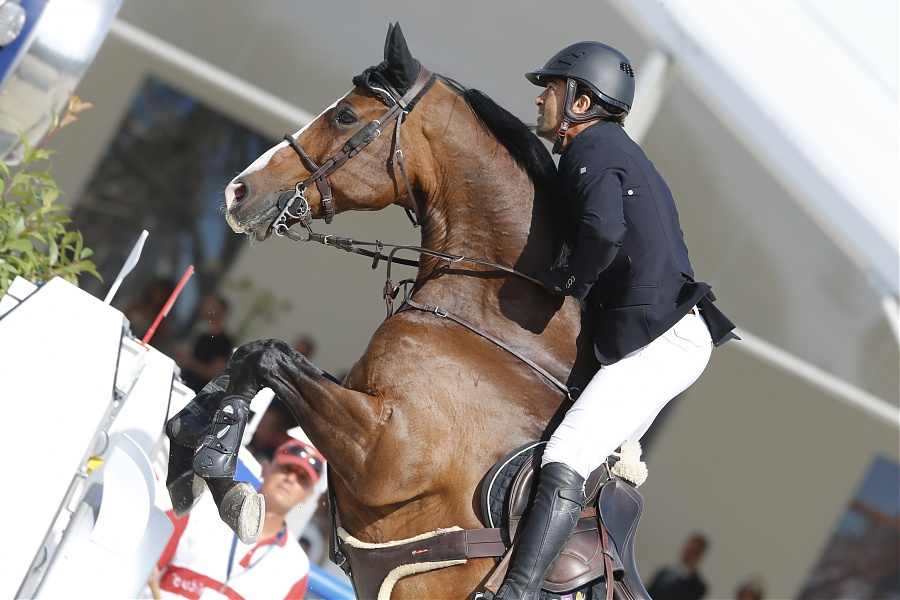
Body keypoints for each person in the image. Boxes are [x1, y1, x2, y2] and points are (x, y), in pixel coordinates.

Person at [494, 42, 737, 599]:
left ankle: (519, 593)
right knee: (594, 468)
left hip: (662, 341)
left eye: (551, 89)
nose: (540, 96)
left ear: (580, 101)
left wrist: (567, 283)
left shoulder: (592, 150)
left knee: (567, 453)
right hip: (665, 337)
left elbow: (602, 233)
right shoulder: (605, 149)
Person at [151, 439, 324, 599]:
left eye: (302, 478)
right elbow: (146, 563)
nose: (291, 478)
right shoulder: (202, 508)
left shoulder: (296, 566)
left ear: (308, 496)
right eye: (286, 468)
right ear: (265, 468)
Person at [177, 293, 236, 392]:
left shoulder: (223, 342)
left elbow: (215, 373)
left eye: (210, 306)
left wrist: (190, 362)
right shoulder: (201, 333)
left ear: (221, 311)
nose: (204, 308)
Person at [647, 533, 710, 600]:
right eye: (687, 548)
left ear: (699, 556)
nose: (687, 553)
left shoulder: (698, 587)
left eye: (692, 551)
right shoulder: (664, 572)